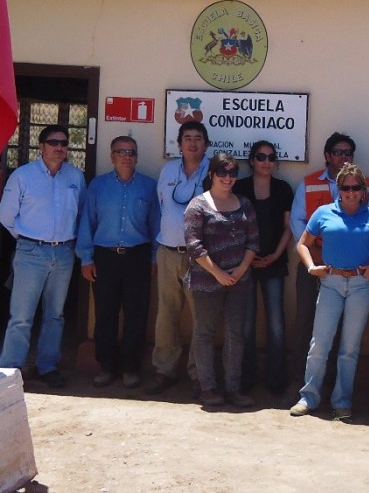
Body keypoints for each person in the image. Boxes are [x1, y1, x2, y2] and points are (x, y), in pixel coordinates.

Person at [289, 164, 369, 420]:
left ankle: (342, 400)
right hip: (331, 283)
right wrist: (311, 267)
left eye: (356, 187)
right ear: (338, 189)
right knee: (320, 343)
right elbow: (303, 244)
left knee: (349, 348)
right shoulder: (323, 212)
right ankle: (309, 397)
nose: (350, 193)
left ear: (363, 190)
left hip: (361, 285)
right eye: (345, 188)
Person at [0, 124, 86, 388]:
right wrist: (29, 239)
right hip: (31, 252)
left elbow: (81, 212)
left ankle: (47, 366)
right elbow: (6, 216)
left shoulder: (75, 177)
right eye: (53, 142)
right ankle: (10, 371)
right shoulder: (23, 176)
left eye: (64, 143)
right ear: (41, 146)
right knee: (21, 316)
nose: (59, 147)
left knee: (55, 315)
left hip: (64, 252)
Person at [76, 136, 160, 389]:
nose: (127, 157)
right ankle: (106, 367)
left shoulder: (149, 186)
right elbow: (87, 223)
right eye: (121, 152)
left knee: (136, 314)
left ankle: (131, 368)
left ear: (137, 157)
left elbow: (156, 225)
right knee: (105, 314)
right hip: (105, 257)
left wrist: (154, 258)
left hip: (138, 257)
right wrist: (86, 258)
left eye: (131, 152)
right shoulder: (98, 186)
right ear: (112, 156)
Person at [183, 153, 258, 407]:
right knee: (204, 333)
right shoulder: (197, 205)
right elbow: (194, 246)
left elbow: (253, 242)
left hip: (239, 282)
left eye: (232, 173)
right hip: (206, 281)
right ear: (211, 175)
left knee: (235, 334)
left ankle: (233, 388)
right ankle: (207, 388)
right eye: (222, 173)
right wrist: (218, 273)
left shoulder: (245, 204)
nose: (227, 178)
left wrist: (240, 271)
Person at [147, 121, 210, 396]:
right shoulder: (168, 170)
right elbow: (162, 208)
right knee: (166, 314)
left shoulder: (213, 169)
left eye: (198, 138)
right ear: (179, 143)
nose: (192, 143)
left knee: (201, 317)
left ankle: (199, 374)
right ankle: (164, 370)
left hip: (200, 256)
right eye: (187, 138)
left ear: (206, 144)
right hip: (168, 252)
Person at [233, 140, 293, 393]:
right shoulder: (239, 187)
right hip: (243, 264)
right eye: (261, 157)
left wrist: (275, 255)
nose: (266, 162)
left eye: (270, 157)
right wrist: (246, 259)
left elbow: (288, 227)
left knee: (276, 323)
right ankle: (246, 378)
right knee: (245, 324)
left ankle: (276, 380)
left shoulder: (283, 188)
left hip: (274, 263)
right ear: (252, 161)